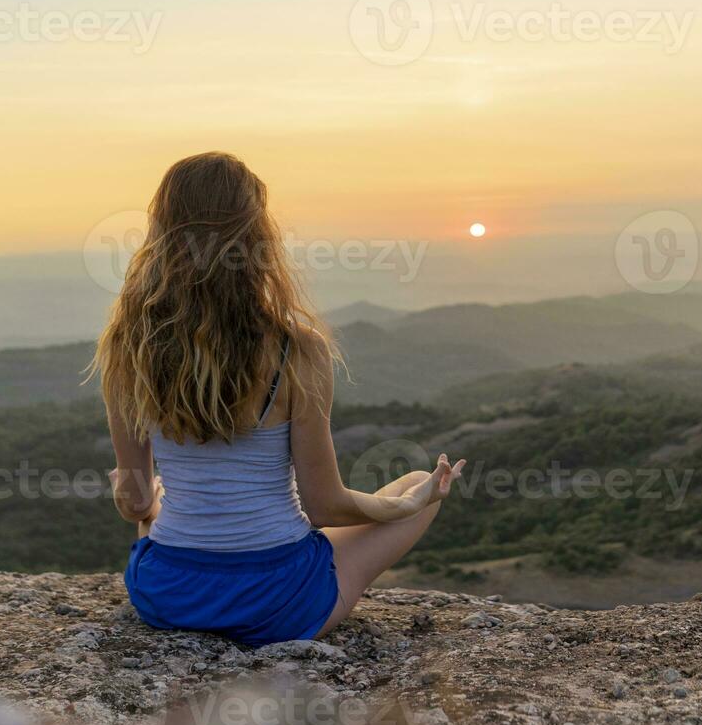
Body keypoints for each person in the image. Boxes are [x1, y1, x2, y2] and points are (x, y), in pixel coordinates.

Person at [93, 151, 464, 646]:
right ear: (257, 237)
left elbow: (136, 504)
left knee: (156, 512)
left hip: (168, 596)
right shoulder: (298, 349)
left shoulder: (128, 346)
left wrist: (141, 491)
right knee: (417, 480)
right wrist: (403, 506)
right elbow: (325, 507)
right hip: (278, 601)